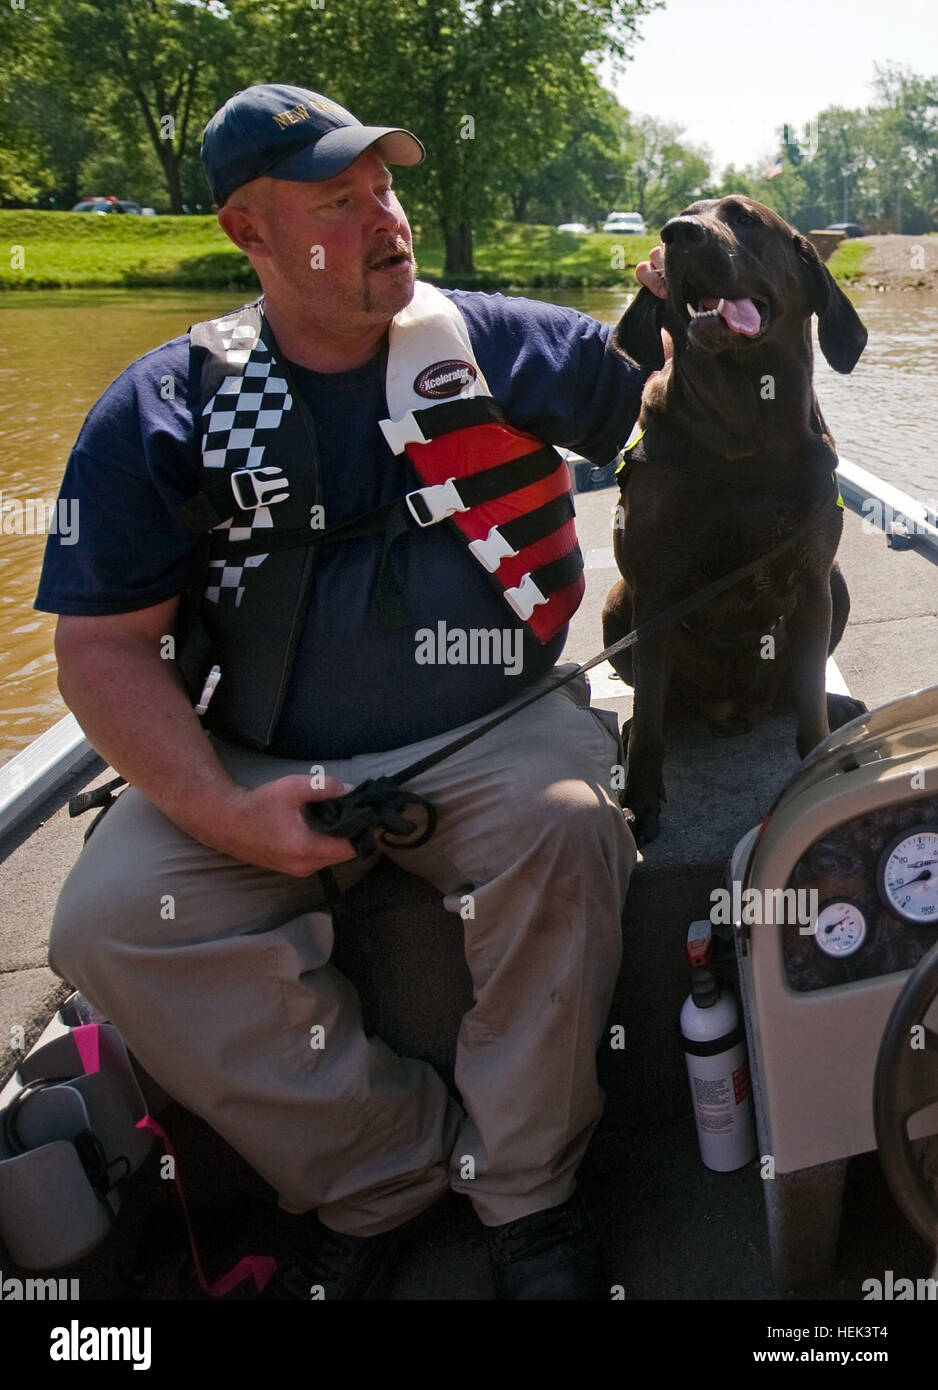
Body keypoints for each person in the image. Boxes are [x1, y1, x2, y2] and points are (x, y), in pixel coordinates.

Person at [35, 84, 667, 1301]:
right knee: (106, 920)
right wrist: (223, 813)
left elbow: (663, 406)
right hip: (258, 760)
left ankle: (526, 1191)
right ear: (246, 234)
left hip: (494, 728)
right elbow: (103, 651)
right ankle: (386, 1169)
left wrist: (715, 298)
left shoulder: (500, 341)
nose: (384, 218)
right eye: (337, 198)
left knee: (569, 826)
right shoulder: (161, 410)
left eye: (384, 188)